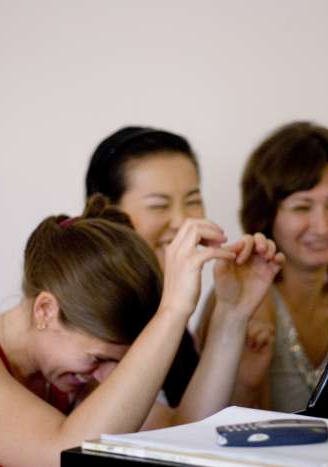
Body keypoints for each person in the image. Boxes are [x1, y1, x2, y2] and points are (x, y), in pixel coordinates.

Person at [0, 194, 283, 466]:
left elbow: (183, 435)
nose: (105, 377)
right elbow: (61, 452)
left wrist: (232, 314)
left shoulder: (70, 381)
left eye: (119, 363)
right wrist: (173, 309)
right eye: (98, 357)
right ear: (45, 310)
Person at [86, 126, 275, 424]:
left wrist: (233, 316)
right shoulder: (95, 320)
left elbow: (204, 429)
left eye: (192, 200)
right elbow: (172, 441)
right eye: (159, 205)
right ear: (107, 215)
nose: (183, 221)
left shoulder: (159, 304)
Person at [196, 121, 328, 412]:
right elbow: (225, 433)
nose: (322, 226)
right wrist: (249, 381)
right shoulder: (244, 301)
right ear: (266, 214)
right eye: (302, 207)